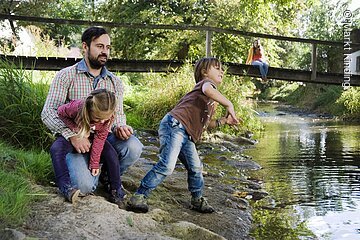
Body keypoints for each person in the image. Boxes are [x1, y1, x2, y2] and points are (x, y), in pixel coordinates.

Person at [127, 57, 240, 214]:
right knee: (167, 165)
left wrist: (223, 121)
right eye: (217, 68)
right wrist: (229, 104)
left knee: (195, 167)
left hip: (186, 134)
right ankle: (139, 196)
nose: (222, 70)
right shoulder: (206, 85)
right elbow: (208, 89)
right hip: (174, 126)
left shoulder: (210, 101)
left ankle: (197, 199)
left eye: (222, 68)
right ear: (205, 72)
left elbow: (206, 125)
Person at [41, 26, 143, 199]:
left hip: (101, 136)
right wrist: (73, 135)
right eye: (100, 46)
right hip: (74, 135)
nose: (105, 52)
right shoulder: (66, 75)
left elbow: (117, 115)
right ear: (85, 47)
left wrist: (121, 127)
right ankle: (87, 175)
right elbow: (48, 112)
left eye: (108, 47)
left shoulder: (115, 82)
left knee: (133, 146)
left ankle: (107, 177)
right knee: (85, 186)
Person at [50, 89, 126, 208]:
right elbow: (60, 113)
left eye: (105, 119)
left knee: (111, 154)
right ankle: (66, 187)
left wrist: (94, 163)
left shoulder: (108, 118)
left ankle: (116, 190)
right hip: (73, 135)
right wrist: (75, 129)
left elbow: (100, 139)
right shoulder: (75, 107)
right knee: (56, 149)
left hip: (93, 138)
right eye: (97, 118)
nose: (101, 121)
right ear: (89, 109)